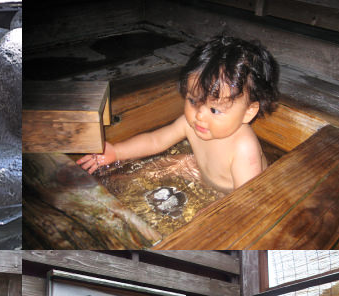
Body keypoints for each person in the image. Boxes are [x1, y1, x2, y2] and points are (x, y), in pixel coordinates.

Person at [78, 36, 279, 194]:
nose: (199, 115)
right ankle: (117, 185)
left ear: (248, 112)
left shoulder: (244, 148)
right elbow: (156, 140)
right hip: (200, 171)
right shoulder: (191, 122)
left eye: (214, 110)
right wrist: (117, 151)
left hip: (230, 194)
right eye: (193, 101)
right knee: (158, 166)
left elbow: (245, 198)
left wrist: (216, 212)